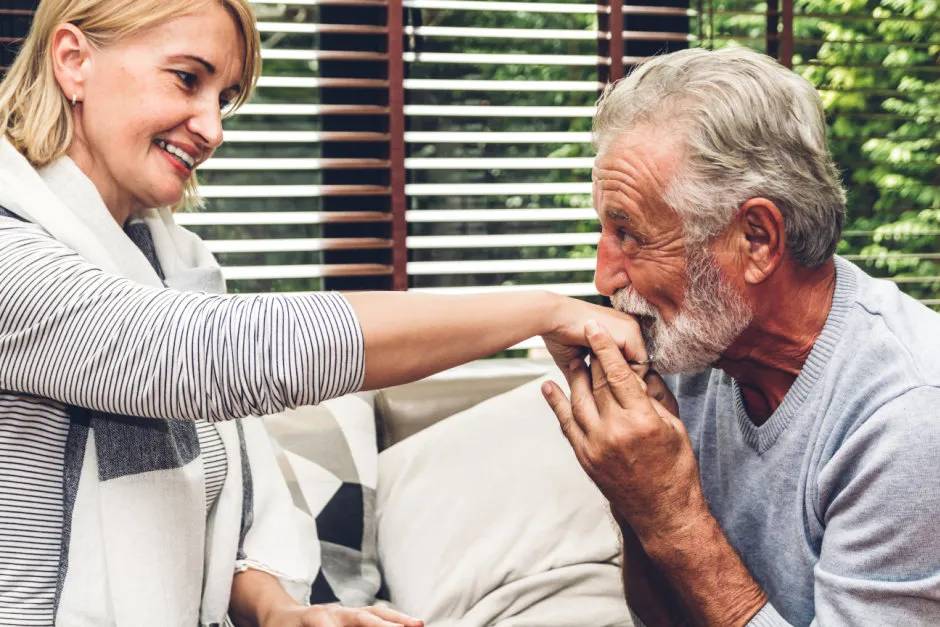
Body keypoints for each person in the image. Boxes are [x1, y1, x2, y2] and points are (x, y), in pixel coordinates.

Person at [0, 0, 646, 625]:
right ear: (73, 59)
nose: (212, 128)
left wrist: (282, 612)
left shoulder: (173, 264)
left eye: (223, 98)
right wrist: (541, 311)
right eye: (188, 79)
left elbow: (208, 523)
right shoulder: (11, 251)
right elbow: (199, 354)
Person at [541, 46, 940, 626]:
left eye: (630, 235)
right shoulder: (696, 343)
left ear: (756, 239)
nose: (604, 276)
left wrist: (670, 514)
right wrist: (633, 494)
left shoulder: (909, 419)